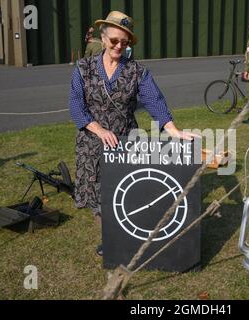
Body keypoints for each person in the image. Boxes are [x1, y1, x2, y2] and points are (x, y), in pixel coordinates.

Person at [69, 11, 198, 256]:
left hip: (126, 143)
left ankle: (129, 236)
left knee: (126, 192)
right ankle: (110, 240)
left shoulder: (138, 71)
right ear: (103, 37)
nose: (119, 46)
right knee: (98, 196)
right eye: (114, 40)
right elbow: (76, 105)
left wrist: (172, 129)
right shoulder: (83, 68)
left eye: (124, 43)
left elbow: (154, 100)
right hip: (91, 144)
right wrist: (98, 129)